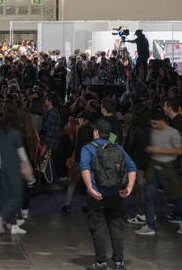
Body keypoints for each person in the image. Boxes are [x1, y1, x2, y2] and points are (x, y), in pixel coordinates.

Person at [80, 119, 137, 270]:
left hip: (96, 195)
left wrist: (91, 189)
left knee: (97, 228)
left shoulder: (88, 148)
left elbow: (85, 168)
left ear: (96, 132)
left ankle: (101, 263)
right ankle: (119, 262)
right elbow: (132, 167)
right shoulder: (118, 148)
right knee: (116, 227)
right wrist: (129, 188)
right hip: (116, 194)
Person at [0, 102, 32, 235]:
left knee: (7, 196)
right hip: (14, 167)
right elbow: (22, 153)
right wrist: (27, 167)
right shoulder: (15, 133)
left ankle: (13, 225)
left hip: (3, 167)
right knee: (17, 197)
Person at [135, 110, 182, 236]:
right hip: (153, 166)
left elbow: (179, 150)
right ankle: (150, 225)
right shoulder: (152, 131)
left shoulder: (173, 133)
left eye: (155, 123)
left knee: (175, 196)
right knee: (149, 196)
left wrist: (159, 150)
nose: (153, 126)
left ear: (162, 121)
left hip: (167, 167)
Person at [62, 111, 95, 214]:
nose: (78, 121)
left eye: (80, 119)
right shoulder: (95, 130)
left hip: (79, 160)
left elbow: (77, 146)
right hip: (90, 160)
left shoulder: (79, 131)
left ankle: (67, 205)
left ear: (85, 120)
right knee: (89, 184)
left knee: (72, 182)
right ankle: (87, 205)